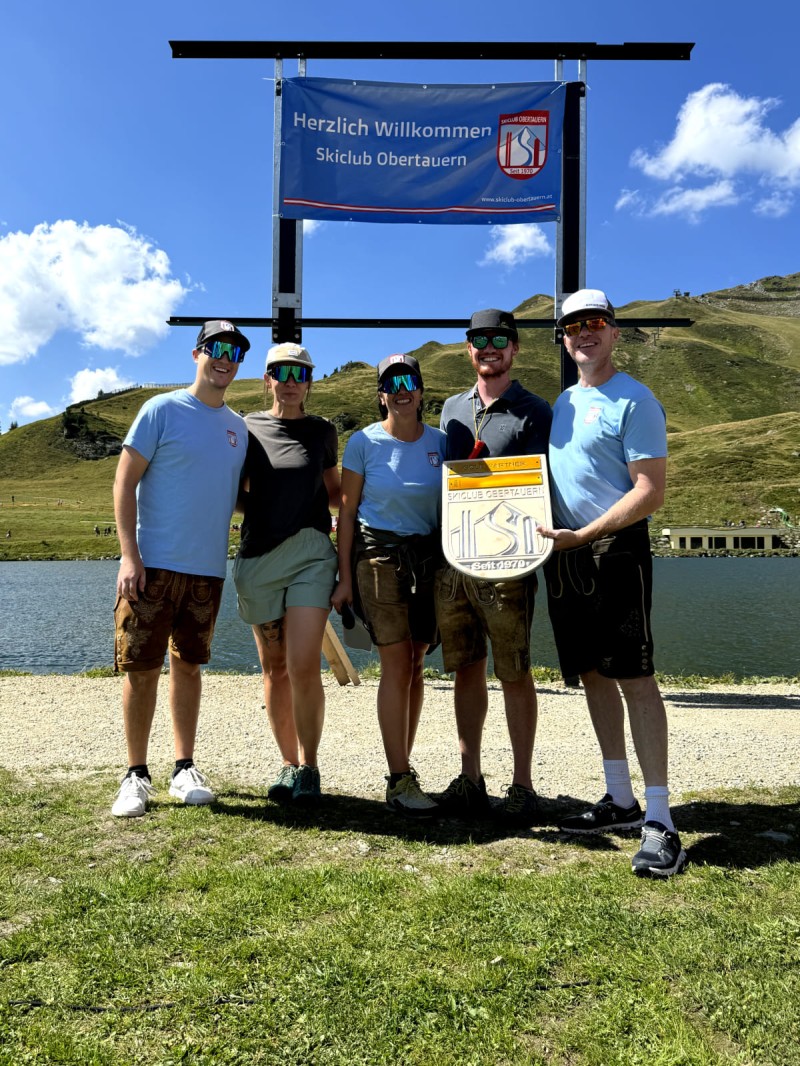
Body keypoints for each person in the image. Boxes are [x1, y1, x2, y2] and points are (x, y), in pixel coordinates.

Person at [538, 288, 687, 878]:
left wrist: (588, 533)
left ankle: (660, 819)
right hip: (568, 556)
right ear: (564, 339)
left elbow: (650, 489)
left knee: (636, 678)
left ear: (614, 332)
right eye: (573, 326)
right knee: (595, 676)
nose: (584, 333)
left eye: (595, 322)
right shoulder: (564, 404)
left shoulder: (636, 399)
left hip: (617, 552)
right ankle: (619, 799)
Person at [111, 320, 249, 818]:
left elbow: (234, 499)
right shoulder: (161, 410)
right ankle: (135, 775)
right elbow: (124, 483)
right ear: (197, 353)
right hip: (152, 567)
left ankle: (183, 767)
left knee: (188, 667)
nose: (225, 357)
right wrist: (130, 555)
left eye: (235, 350)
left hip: (206, 571)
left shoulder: (238, 427)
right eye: (216, 347)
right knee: (141, 668)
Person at [435, 309, 552, 825]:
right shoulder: (451, 408)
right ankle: (470, 778)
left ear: (514, 348)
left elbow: (542, 486)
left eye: (499, 340)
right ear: (469, 349)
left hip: (510, 566)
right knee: (466, 668)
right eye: (479, 340)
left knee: (515, 672)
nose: (489, 348)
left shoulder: (535, 410)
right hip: (455, 561)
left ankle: (523, 785)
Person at [332, 354, 446, 817]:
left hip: (428, 559)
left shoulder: (442, 441)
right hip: (377, 557)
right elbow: (346, 513)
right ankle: (399, 778)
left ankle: (404, 764)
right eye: (391, 383)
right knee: (396, 659)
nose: (402, 389)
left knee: (417, 660)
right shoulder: (363, 443)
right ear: (382, 394)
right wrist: (343, 578)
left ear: (420, 390)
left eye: (409, 380)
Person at [233, 343, 340, 806]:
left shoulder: (323, 432)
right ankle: (288, 764)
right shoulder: (246, 428)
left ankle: (311, 766)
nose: (291, 380)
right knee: (274, 669)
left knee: (302, 665)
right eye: (282, 372)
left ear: (309, 382)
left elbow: (335, 493)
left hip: (313, 554)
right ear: (268, 378)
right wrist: (263, 507)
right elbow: (232, 492)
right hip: (259, 558)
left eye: (301, 372)